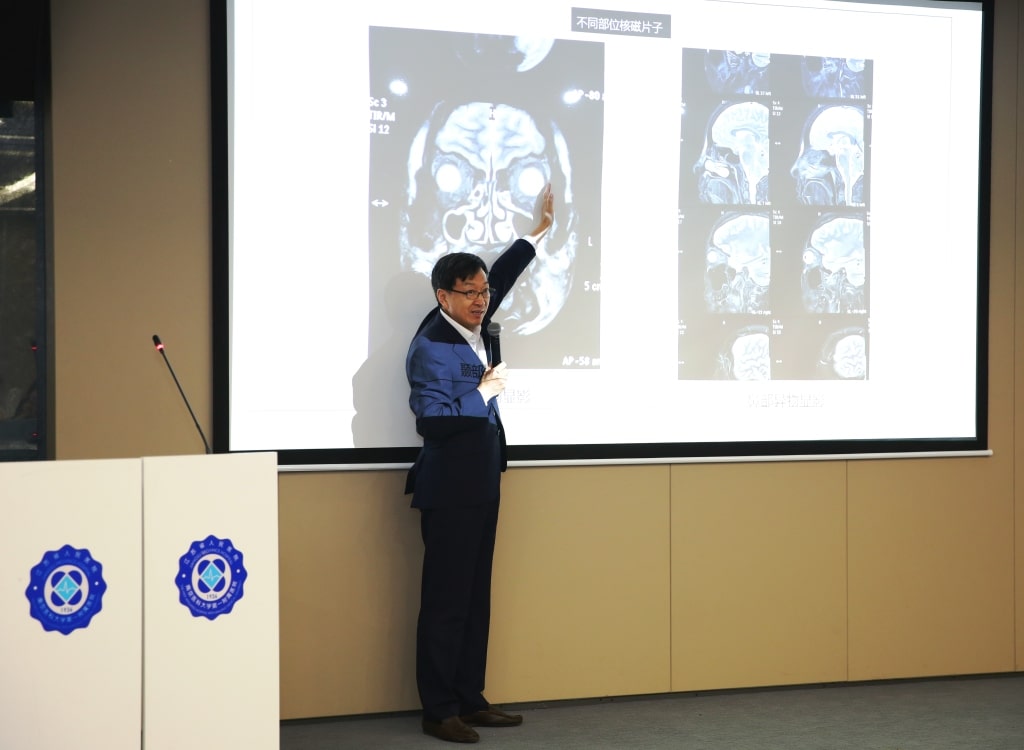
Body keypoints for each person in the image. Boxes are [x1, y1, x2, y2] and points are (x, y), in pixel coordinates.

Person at [405, 184, 555, 743]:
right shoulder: (431, 344)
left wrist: (537, 232)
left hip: (482, 481)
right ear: (442, 296)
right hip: (449, 489)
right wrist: (484, 392)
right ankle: (439, 709)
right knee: (446, 603)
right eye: (468, 292)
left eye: (484, 290)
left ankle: (470, 698)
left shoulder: (472, 321)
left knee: (475, 598)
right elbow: (431, 420)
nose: (481, 299)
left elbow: (503, 276)